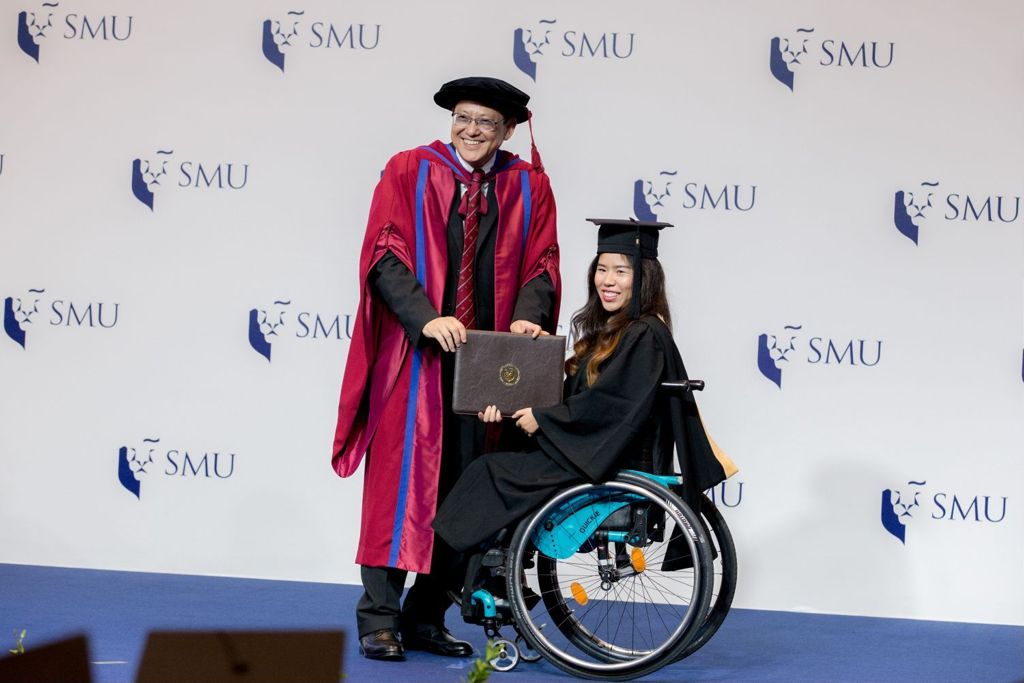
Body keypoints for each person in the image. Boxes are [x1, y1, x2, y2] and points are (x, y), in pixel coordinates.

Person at [331, 76, 561, 662]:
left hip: (489, 366)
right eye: (463, 117)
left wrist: (531, 317)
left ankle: (425, 618)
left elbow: (543, 260)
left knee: (469, 491)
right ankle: (378, 619)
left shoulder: (528, 185)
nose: (471, 130)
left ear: (508, 130)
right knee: (401, 484)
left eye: (486, 122)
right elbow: (384, 253)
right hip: (418, 361)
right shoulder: (410, 169)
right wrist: (425, 317)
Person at [433, 218, 737, 556]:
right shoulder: (613, 330)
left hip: (612, 459)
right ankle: (481, 571)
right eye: (602, 269)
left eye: (621, 271)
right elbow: (580, 397)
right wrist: (515, 399)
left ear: (644, 278)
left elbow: (612, 405)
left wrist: (545, 419)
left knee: (490, 471)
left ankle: (454, 570)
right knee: (493, 456)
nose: (608, 281)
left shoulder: (645, 334)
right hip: (592, 451)